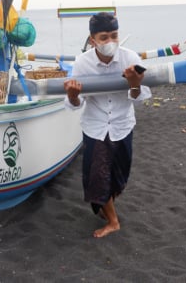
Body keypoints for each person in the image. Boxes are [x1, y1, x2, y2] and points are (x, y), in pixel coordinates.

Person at [63, 12, 151, 238]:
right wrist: (73, 96)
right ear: (92, 40)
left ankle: (106, 205)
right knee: (97, 177)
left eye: (114, 36)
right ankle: (113, 221)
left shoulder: (130, 57)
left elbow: (142, 97)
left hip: (122, 126)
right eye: (103, 37)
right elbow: (75, 103)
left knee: (118, 175)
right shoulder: (83, 62)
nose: (110, 42)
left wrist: (134, 84)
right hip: (96, 127)